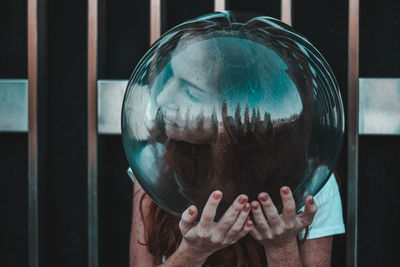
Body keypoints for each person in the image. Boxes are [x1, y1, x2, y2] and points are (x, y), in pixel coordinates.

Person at [127, 18, 345, 266]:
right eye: (169, 78)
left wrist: (281, 247)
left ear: (235, 109)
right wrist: (193, 252)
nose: (164, 97)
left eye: (190, 91)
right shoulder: (153, 164)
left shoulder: (309, 185)